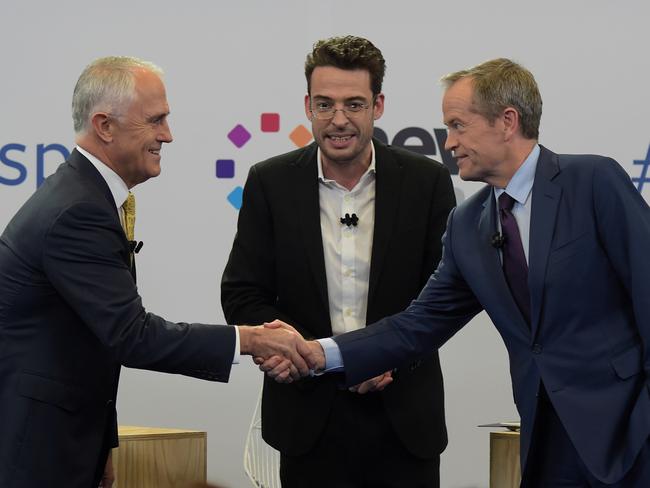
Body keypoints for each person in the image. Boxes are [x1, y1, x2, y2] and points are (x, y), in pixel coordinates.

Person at [267, 57, 650, 487]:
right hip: (546, 443)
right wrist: (324, 354)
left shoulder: (592, 182)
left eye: (457, 125)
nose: (448, 142)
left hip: (630, 432)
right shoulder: (468, 225)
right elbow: (419, 324)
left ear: (507, 121)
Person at [0, 56, 312, 488]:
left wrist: (101, 442)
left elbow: (91, 341)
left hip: (63, 442)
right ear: (105, 126)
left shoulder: (84, 196)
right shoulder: (78, 212)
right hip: (36, 452)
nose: (168, 134)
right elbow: (132, 336)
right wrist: (252, 338)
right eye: (156, 121)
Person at [221, 36, 455, 488]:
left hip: (404, 422)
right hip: (308, 419)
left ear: (378, 105)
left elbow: (443, 297)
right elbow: (242, 293)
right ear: (307, 105)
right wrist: (288, 349)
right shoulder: (269, 182)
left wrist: (386, 357)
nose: (339, 120)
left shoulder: (426, 182)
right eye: (325, 105)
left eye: (354, 104)